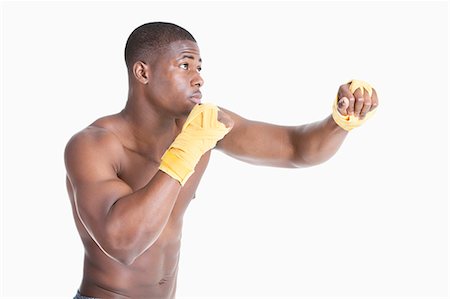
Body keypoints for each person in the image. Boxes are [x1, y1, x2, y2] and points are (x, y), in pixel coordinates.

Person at [65, 22, 379, 299]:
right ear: (143, 72)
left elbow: (295, 148)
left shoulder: (201, 128)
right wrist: (186, 149)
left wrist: (339, 121)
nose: (198, 79)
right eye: (185, 66)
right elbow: (123, 244)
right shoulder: (94, 144)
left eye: (200, 68)